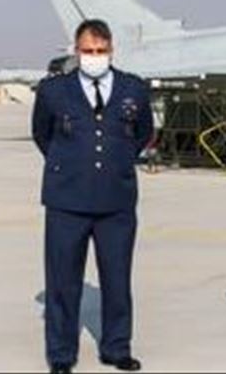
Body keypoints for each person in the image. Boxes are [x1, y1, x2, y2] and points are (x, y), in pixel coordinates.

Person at [32, 19, 154, 374]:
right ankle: (61, 354)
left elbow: (143, 132)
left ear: (111, 50)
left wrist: (118, 161)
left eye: (101, 51)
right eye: (88, 51)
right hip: (66, 201)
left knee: (117, 279)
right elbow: (42, 134)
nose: (94, 56)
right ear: (76, 51)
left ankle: (117, 348)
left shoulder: (133, 88)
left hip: (116, 201)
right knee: (62, 282)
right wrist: (71, 164)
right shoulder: (54, 90)